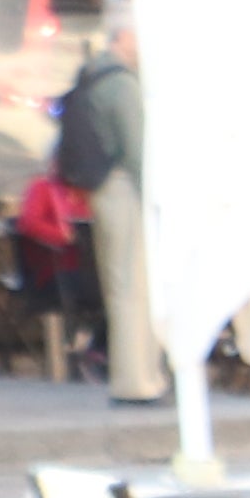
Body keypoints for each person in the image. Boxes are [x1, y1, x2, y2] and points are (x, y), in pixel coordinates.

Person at [51, 22, 157, 407]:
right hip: (124, 189)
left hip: (102, 191)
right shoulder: (121, 84)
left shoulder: (92, 75)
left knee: (121, 285)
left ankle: (138, 377)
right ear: (125, 39)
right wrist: (156, 201)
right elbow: (137, 150)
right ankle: (138, 381)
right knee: (132, 288)